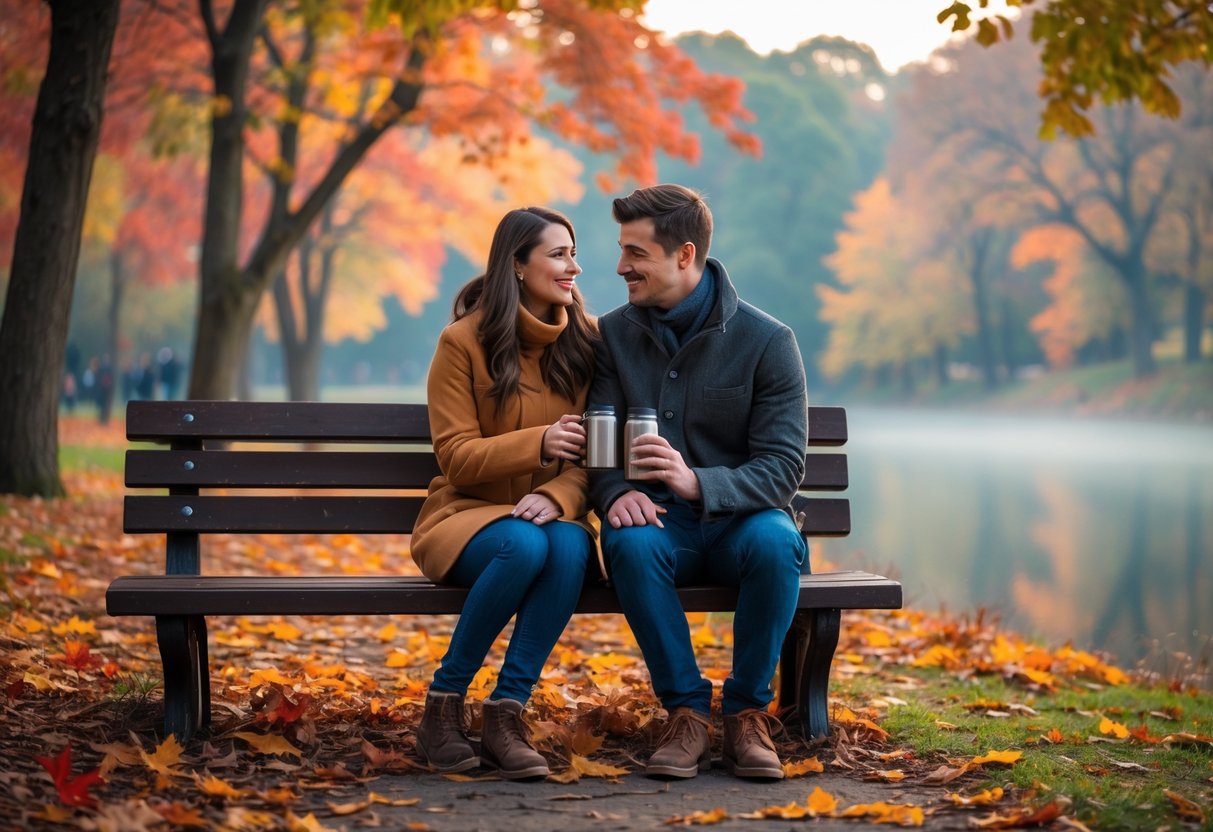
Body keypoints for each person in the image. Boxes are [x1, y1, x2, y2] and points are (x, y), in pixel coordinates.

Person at [587, 184, 809, 781]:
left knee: (775, 541)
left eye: (635, 252)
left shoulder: (769, 341)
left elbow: (784, 466)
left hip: (743, 525)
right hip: (661, 528)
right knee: (627, 542)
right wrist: (614, 492)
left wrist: (698, 483)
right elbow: (598, 442)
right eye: (621, 249)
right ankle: (685, 711)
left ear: (684, 255)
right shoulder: (611, 335)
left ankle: (746, 715)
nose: (620, 266)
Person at [409, 206, 598, 780]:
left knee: (566, 546)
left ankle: (505, 713)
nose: (574, 267)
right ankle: (443, 707)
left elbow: (595, 458)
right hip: (465, 518)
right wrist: (538, 442)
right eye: (558, 254)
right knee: (525, 545)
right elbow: (457, 458)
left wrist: (562, 497)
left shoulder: (585, 344)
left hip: (550, 520)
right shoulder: (462, 342)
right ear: (517, 264)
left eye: (573, 252)